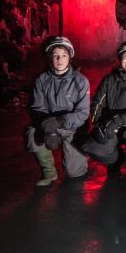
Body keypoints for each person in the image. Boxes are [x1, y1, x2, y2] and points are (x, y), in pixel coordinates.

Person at [82, 40, 126, 180]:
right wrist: (98, 125)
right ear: (120, 59)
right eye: (125, 56)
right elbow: (97, 104)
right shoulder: (110, 80)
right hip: (110, 124)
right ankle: (114, 159)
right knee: (92, 146)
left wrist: (117, 121)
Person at [26, 36, 90, 186]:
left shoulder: (80, 81)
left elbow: (82, 113)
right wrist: (49, 129)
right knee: (32, 134)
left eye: (63, 55)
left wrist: (61, 121)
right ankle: (49, 172)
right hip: (49, 124)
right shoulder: (42, 80)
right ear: (50, 58)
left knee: (75, 173)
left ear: (69, 58)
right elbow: (37, 107)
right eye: (55, 56)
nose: (59, 59)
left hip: (72, 128)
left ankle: (80, 155)